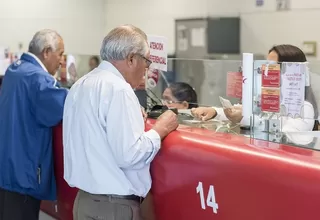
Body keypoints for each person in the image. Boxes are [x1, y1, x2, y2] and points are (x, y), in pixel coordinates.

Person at [63, 24, 179, 220]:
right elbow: (130, 154)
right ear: (132, 58)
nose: (147, 68)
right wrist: (160, 129)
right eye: (147, 61)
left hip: (84, 202)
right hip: (113, 207)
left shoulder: (81, 84)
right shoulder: (119, 89)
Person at [0, 29, 68, 220]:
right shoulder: (39, 79)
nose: (62, 60)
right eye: (60, 54)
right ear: (46, 51)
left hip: (7, 169)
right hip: (25, 175)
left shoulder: (15, 70)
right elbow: (67, 107)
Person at [191, 44, 318, 132]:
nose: (266, 72)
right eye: (266, 66)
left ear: (291, 71)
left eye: (272, 67)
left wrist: (247, 119)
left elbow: (286, 137)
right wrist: (214, 112)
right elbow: (239, 111)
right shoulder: (268, 96)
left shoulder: (304, 107)